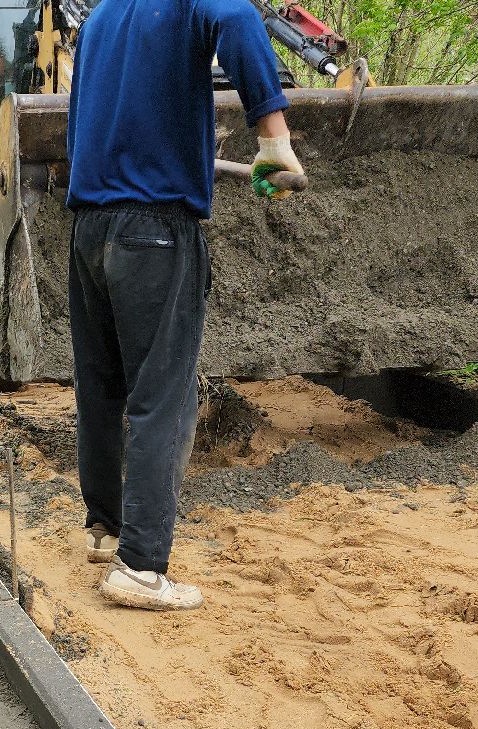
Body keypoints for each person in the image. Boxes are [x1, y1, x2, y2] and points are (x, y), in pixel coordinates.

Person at [65, 0, 303, 611]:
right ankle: (142, 568)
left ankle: (106, 528)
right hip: (156, 230)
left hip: (89, 228)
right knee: (163, 397)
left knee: (101, 386)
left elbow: (79, 125)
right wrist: (274, 140)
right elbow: (241, 19)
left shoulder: (100, 18)